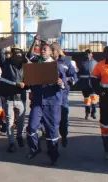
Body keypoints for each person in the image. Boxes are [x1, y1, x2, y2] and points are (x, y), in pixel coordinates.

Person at [25, 37, 67, 166]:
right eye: (41, 49)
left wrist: (61, 83)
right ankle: (35, 148)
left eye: (45, 50)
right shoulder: (36, 65)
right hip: (38, 102)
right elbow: (29, 56)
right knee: (31, 127)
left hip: (52, 103)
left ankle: (53, 154)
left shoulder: (57, 67)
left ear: (50, 52)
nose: (42, 51)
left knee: (51, 131)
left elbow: (64, 83)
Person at [0, 46, 28, 152]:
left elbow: (31, 78)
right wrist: (2, 44)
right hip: (9, 97)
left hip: (21, 98)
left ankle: (19, 136)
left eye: (19, 53)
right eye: (15, 52)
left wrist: (26, 85)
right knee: (9, 121)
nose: (17, 54)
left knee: (21, 121)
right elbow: (0, 55)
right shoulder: (6, 64)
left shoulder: (26, 64)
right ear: (11, 54)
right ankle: (11, 143)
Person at [50, 42, 78, 148]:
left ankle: (64, 135)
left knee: (63, 118)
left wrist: (66, 80)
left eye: (53, 50)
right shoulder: (46, 62)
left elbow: (74, 77)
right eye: (50, 50)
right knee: (52, 119)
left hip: (62, 95)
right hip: (50, 95)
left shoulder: (66, 61)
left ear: (57, 51)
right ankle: (52, 140)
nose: (51, 53)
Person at [77, 49, 99, 120]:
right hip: (85, 83)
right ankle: (87, 112)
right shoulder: (82, 63)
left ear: (92, 54)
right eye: (87, 53)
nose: (88, 54)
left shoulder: (95, 63)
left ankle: (93, 112)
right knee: (86, 99)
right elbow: (78, 73)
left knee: (94, 98)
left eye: (90, 53)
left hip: (93, 83)